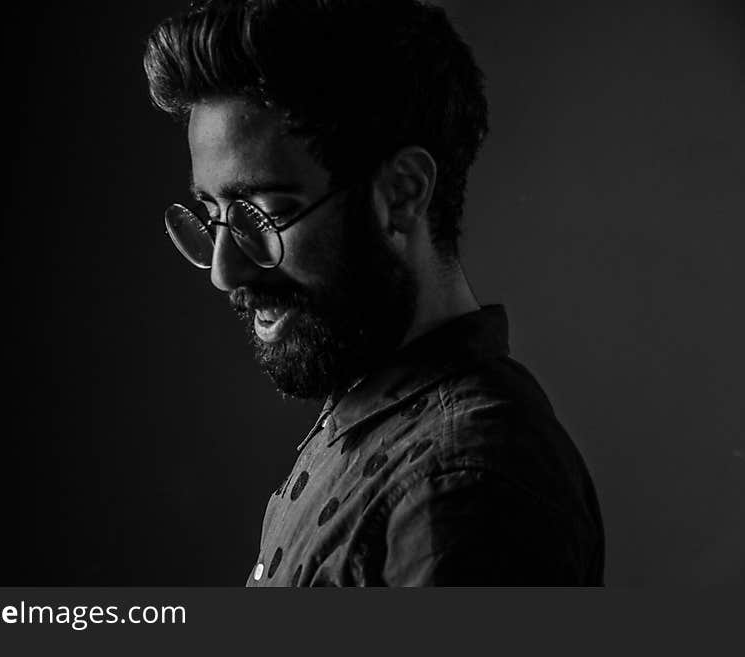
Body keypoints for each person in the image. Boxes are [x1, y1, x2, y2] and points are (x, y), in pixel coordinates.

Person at [144, 0, 605, 586]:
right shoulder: (368, 417)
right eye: (212, 216)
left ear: (403, 194)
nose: (224, 271)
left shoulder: (462, 487)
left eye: (263, 216)